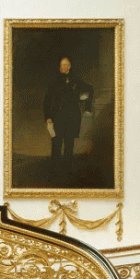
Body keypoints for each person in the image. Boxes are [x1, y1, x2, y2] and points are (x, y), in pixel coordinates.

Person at [43, 56, 93, 184]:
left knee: (69, 145)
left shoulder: (76, 80)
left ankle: (67, 173)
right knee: (56, 144)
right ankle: (54, 172)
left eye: (65, 65)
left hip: (72, 117)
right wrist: (48, 117)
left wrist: (87, 107)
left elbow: (89, 90)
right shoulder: (54, 81)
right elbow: (47, 99)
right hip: (58, 117)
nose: (63, 67)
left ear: (69, 66)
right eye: (61, 65)